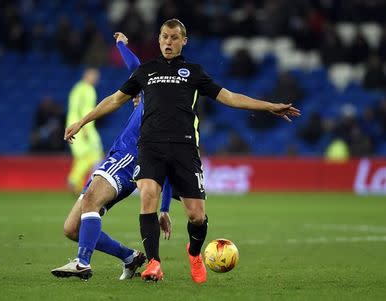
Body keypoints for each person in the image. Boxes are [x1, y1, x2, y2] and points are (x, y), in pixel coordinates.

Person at [64, 19, 300, 283]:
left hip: (184, 148)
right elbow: (114, 99)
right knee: (147, 199)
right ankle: (153, 263)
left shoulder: (193, 72)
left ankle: (194, 252)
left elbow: (230, 97)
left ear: (183, 41)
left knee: (196, 216)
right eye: (164, 37)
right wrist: (82, 121)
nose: (168, 42)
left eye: (174, 37)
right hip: (150, 147)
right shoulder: (147, 72)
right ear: (159, 39)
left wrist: (268, 106)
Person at [51, 32, 173, 281]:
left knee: (91, 199)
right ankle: (130, 257)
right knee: (72, 228)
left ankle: (82, 263)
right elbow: (133, 67)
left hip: (129, 158)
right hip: (117, 156)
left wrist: (165, 207)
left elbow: (136, 67)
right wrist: (120, 45)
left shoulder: (156, 98)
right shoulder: (142, 95)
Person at [66, 68, 104, 194]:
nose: (96, 80)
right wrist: (86, 129)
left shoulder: (77, 88)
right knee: (94, 155)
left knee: (82, 156)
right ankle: (76, 180)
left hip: (72, 124)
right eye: (94, 76)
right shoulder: (89, 90)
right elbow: (86, 111)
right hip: (83, 127)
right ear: (87, 76)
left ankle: (76, 184)